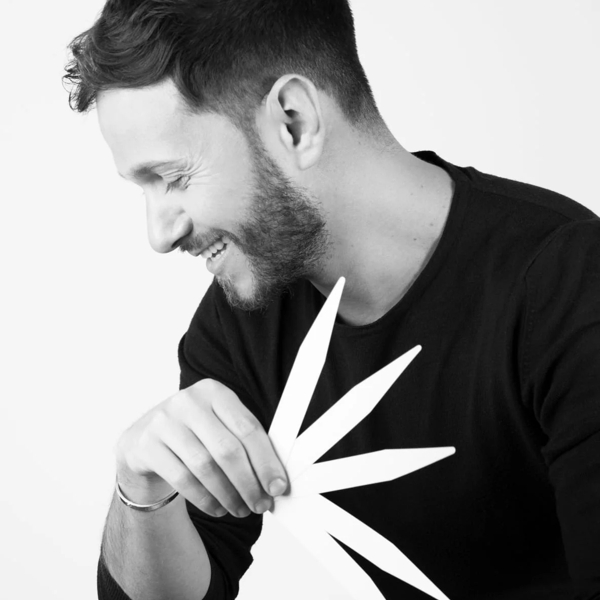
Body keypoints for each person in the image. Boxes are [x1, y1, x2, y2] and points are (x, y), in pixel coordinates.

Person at [63, 1, 600, 599]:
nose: (159, 235)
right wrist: (140, 484)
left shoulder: (568, 282)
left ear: (293, 122)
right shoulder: (242, 319)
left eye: (174, 177)